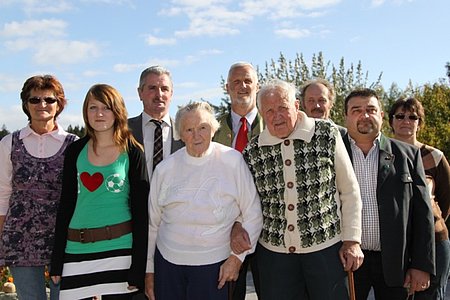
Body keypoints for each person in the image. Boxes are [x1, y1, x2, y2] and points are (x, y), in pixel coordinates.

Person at [242, 79, 364, 299]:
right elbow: (246, 202)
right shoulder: (253, 150)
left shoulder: (326, 134)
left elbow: (349, 190)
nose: (276, 116)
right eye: (269, 111)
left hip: (326, 251)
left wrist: (352, 240)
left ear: (296, 106)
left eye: (282, 108)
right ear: (261, 114)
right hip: (275, 257)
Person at [145, 101, 263, 300]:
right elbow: (152, 224)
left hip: (215, 266)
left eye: (202, 128)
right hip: (168, 266)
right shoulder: (165, 169)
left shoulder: (232, 161)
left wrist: (236, 259)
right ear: (180, 135)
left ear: (213, 129)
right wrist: (149, 270)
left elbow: (253, 215)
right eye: (189, 129)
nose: (196, 135)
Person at [50, 84, 149, 299]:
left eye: (106, 107)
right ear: (86, 112)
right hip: (77, 251)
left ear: (118, 111)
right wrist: (57, 260)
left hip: (120, 251)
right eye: (93, 108)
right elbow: (66, 204)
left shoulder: (132, 151)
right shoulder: (75, 151)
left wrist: (138, 267)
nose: (99, 114)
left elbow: (142, 213)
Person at [341, 88, 435, 299]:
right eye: (356, 110)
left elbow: (422, 214)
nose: (364, 115)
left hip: (395, 263)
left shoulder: (408, 155)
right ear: (346, 116)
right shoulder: (333, 155)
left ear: (381, 115)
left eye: (371, 110)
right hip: (346, 261)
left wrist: (421, 264)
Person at [0, 75, 78, 300]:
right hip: (19, 240)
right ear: (26, 104)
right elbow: (3, 194)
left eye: (49, 99)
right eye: (34, 100)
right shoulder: (9, 143)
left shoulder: (74, 144)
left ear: (59, 104)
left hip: (64, 239)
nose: (42, 105)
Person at [388, 97, 450, 300]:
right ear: (391, 121)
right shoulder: (380, 154)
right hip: (394, 243)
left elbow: (445, 200)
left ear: (419, 123)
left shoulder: (435, 157)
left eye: (412, 117)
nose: (406, 120)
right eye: (400, 116)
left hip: (433, 242)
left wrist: (431, 223)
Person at [213, 61, 264, 300]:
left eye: (247, 81)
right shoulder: (211, 129)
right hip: (226, 232)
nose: (242, 86)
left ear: (257, 86)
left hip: (270, 234)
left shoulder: (275, 125)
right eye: (236, 82)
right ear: (227, 87)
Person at [128, 65, 184, 180]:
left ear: (171, 94)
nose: (159, 95)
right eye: (152, 88)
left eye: (164, 89)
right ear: (140, 93)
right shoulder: (123, 130)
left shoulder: (184, 131)